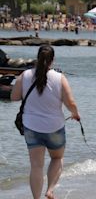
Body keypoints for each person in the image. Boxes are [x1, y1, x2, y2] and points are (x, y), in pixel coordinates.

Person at [11, 45, 80, 199]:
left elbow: (14, 97)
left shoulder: (25, 75)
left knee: (36, 166)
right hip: (54, 127)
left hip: (31, 127)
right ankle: (50, 190)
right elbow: (71, 103)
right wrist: (75, 114)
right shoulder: (59, 78)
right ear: (52, 60)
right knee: (56, 158)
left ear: (38, 58)